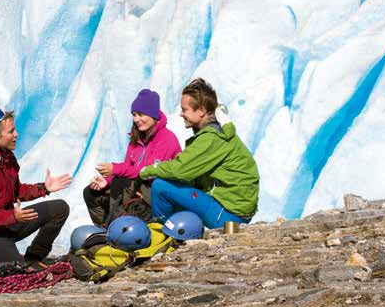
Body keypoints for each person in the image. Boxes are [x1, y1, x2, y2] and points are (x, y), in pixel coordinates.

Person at [138, 78, 259, 229]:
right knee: (174, 188)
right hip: (231, 208)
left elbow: (180, 169)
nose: (181, 114)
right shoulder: (215, 130)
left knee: (160, 186)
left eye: (184, 110)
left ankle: (165, 231)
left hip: (228, 215)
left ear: (201, 111)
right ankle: (178, 229)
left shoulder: (210, 138)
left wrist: (146, 171)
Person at [0, 107, 72, 266]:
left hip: (8, 224)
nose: (16, 134)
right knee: (19, 270)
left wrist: (44, 188)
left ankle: (33, 257)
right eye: (11, 131)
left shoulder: (6, 158)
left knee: (59, 208)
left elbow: (16, 190)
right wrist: (12, 217)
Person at [83, 89, 182, 226]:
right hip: (134, 189)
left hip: (156, 193)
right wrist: (106, 181)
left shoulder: (167, 139)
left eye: (140, 114)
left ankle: (115, 228)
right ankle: (103, 229)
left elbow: (147, 172)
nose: (136, 119)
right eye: (134, 115)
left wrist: (115, 170)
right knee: (90, 192)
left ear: (152, 114)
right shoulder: (137, 138)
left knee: (122, 181)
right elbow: (128, 167)